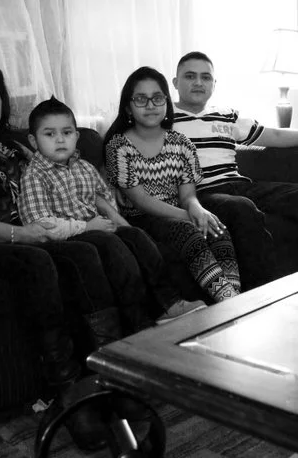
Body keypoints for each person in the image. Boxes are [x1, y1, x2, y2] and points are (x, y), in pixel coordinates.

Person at [0, 59, 152, 447]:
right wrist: (19, 235)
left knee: (87, 252)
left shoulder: (16, 146)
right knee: (39, 262)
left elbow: (58, 178)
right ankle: (71, 395)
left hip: (30, 237)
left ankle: (112, 378)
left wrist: (93, 215)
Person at [18, 97, 206, 324]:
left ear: (76, 136)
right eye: (49, 134)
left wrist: (119, 223)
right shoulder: (34, 174)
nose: (60, 140)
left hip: (98, 228)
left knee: (137, 237)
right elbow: (41, 225)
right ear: (33, 141)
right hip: (67, 239)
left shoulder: (84, 167)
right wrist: (88, 226)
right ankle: (138, 319)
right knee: (113, 248)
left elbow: (104, 199)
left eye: (67, 133)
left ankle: (169, 302)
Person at [171, 51, 298, 288]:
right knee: (242, 208)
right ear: (175, 83)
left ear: (214, 84)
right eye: (190, 76)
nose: (198, 82)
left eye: (205, 77)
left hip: (241, 186)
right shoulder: (164, 119)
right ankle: (263, 298)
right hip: (204, 194)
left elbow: (273, 135)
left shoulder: (227, 115)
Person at [103, 66, 241, 303]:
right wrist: (188, 217)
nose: (150, 105)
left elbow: (188, 196)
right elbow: (141, 201)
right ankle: (228, 301)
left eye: (157, 98)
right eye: (140, 99)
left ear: (167, 103)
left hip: (176, 210)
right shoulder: (118, 146)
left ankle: (233, 298)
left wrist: (198, 210)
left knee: (217, 227)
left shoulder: (180, 143)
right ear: (128, 107)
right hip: (142, 218)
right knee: (188, 230)